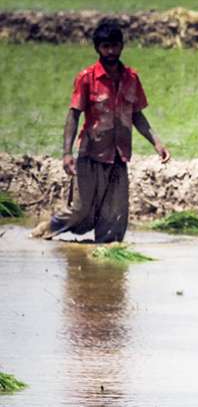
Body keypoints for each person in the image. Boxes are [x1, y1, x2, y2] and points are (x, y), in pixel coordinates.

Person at [30, 17, 171, 243]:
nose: (111, 51)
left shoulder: (131, 78)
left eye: (115, 45)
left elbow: (137, 115)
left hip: (119, 155)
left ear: (122, 46)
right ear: (98, 48)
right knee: (81, 211)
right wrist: (67, 153)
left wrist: (157, 143)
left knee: (115, 217)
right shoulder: (87, 78)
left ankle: (105, 256)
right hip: (91, 153)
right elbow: (73, 115)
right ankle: (48, 228)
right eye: (106, 46)